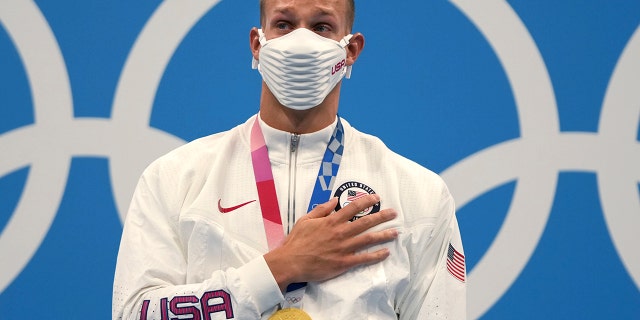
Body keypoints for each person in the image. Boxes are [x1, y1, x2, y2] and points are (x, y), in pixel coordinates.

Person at [112, 0, 466, 319]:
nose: (301, 41)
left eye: (321, 26)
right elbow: (133, 313)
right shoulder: (174, 179)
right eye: (283, 24)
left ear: (351, 49)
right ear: (257, 44)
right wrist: (276, 270)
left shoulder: (419, 194)